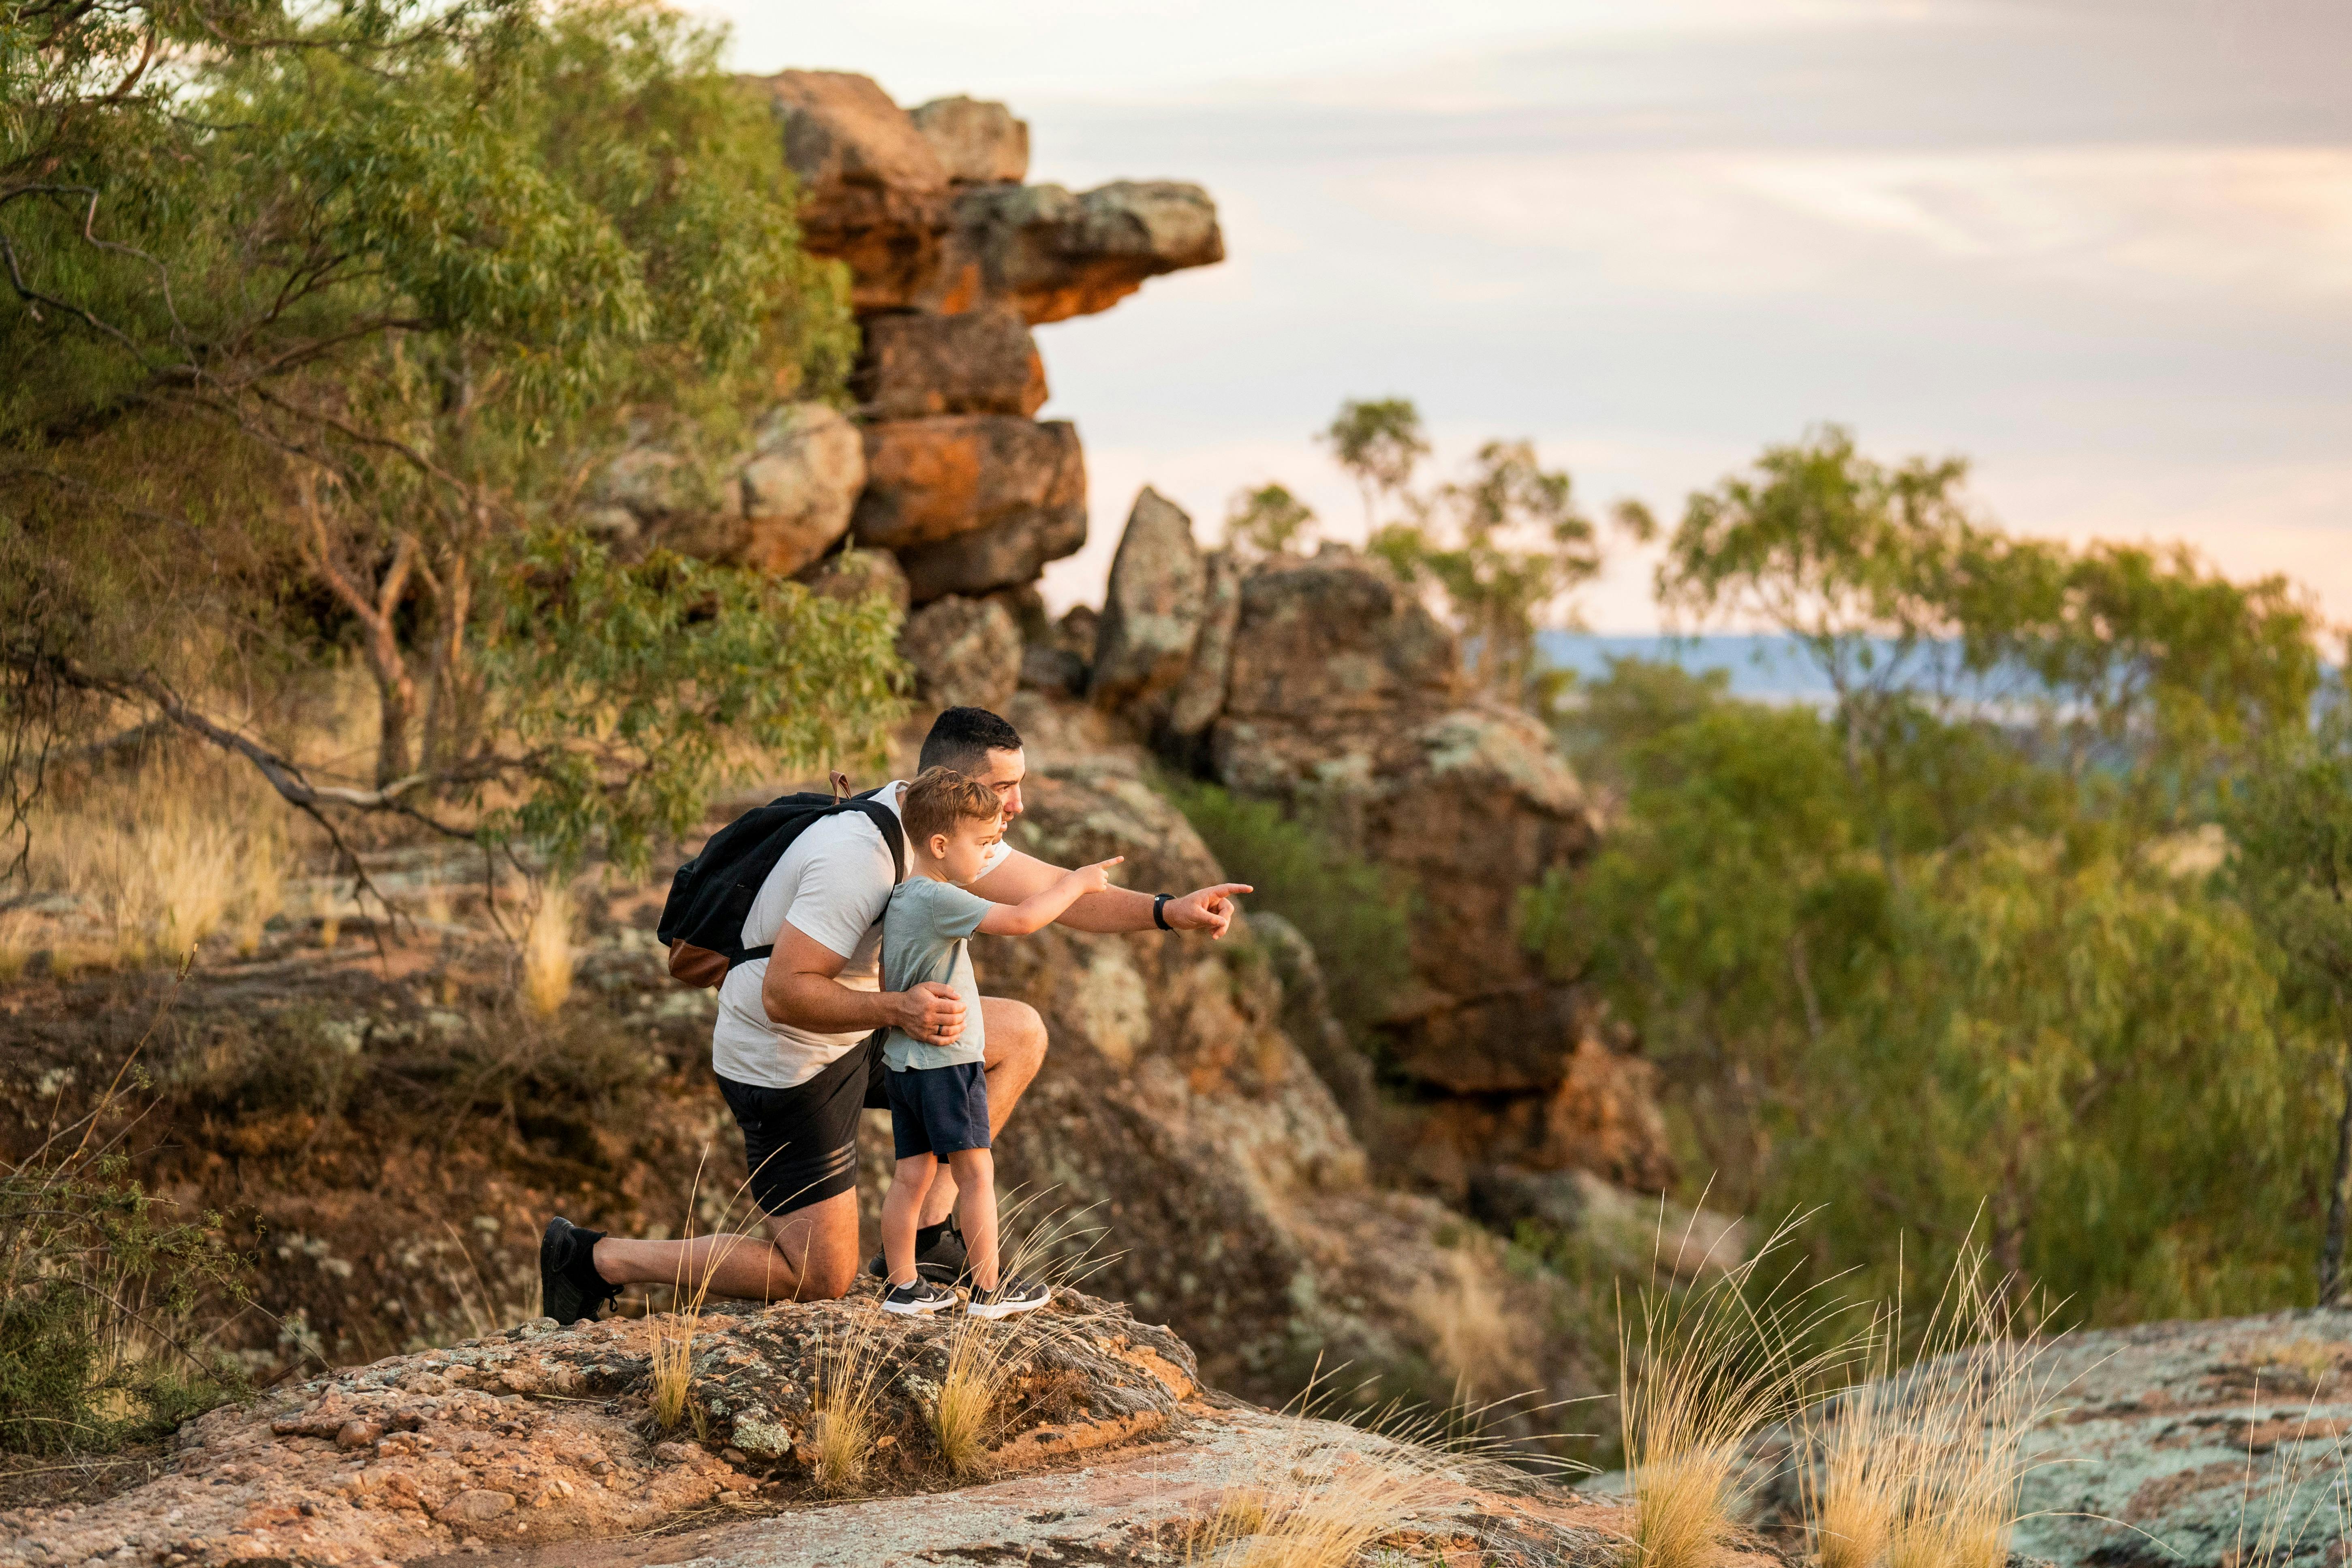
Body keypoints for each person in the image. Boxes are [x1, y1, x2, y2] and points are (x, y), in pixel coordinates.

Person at [537, 706, 1251, 1320]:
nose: (1018, 806)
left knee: (1019, 1034)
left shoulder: (951, 828)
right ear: (960, 785)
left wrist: (1168, 911)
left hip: (868, 1025)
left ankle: (932, 1232)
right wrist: (898, 1009)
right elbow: (784, 991)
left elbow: (1065, 896)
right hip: (786, 1056)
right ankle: (596, 1258)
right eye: (1006, 789)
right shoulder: (860, 855)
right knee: (820, 1278)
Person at [874, 767, 1123, 1318]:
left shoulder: (901, 898)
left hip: (904, 1065)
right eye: (984, 844)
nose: (989, 856)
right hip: (947, 1064)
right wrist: (1076, 883)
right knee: (976, 1172)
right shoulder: (940, 898)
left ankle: (902, 1286)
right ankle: (989, 1288)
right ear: (940, 845)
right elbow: (1024, 918)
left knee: (910, 1175)